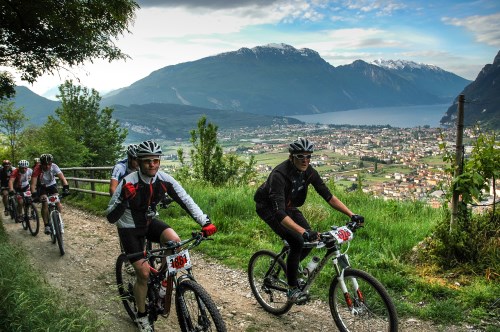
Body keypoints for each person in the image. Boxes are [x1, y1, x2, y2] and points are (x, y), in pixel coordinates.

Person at [106, 139, 217, 332]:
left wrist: (205, 222)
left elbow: (186, 200)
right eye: (147, 160)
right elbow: (110, 216)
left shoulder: (165, 179)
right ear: (139, 162)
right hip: (130, 227)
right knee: (144, 273)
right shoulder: (127, 182)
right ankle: (141, 317)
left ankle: (164, 283)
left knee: (175, 241)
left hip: (148, 222)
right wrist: (123, 198)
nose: (152, 164)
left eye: (156, 160)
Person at [254, 138, 364, 304]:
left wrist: (351, 214)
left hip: (288, 206)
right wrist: (302, 232)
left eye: (308, 156)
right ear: (291, 157)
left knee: (311, 240)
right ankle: (292, 290)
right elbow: (279, 213)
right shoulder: (279, 175)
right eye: (301, 156)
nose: (305, 160)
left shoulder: (308, 171)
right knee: (298, 240)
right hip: (269, 208)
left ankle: (290, 265)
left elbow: (329, 196)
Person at [30, 154, 70, 235]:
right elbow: (33, 184)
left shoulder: (54, 166)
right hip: (42, 186)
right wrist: (34, 194)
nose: (47, 166)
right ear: (41, 164)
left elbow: (62, 178)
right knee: (45, 203)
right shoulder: (37, 169)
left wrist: (66, 188)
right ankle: (46, 225)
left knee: (57, 201)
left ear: (51, 163)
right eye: (45, 164)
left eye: (49, 164)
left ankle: (58, 218)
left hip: (52, 185)